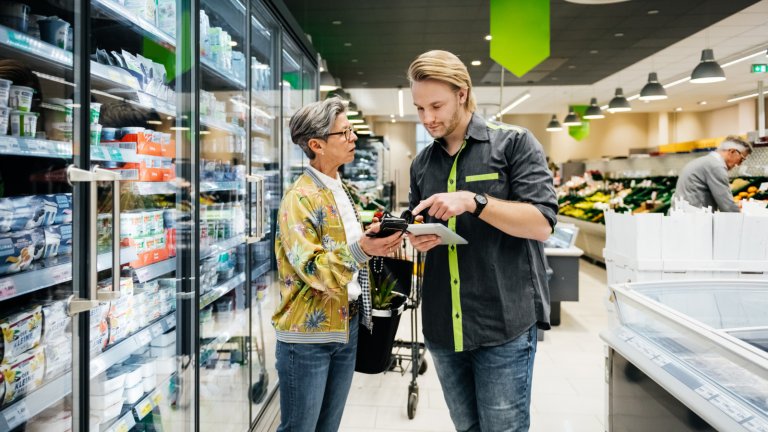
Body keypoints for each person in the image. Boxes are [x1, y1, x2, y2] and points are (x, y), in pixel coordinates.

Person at [405, 50, 558, 431]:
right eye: (419, 108)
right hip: (443, 325)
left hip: (501, 323)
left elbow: (541, 224)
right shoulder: (422, 164)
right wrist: (419, 238)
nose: (428, 119)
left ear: (462, 93)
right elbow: (420, 225)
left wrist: (475, 201)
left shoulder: (514, 145)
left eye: (436, 105)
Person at [272, 97, 402, 432]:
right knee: (300, 427)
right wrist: (362, 248)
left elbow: (345, 249)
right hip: (307, 339)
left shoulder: (339, 189)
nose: (353, 138)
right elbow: (315, 269)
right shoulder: (298, 199)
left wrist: (375, 239)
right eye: (344, 132)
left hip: (346, 326)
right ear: (316, 144)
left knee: (328, 427)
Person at [674, 136, 751, 212]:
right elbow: (727, 206)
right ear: (732, 151)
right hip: (693, 220)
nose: (740, 164)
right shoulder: (716, 167)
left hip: (682, 217)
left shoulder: (704, 161)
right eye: (742, 159)